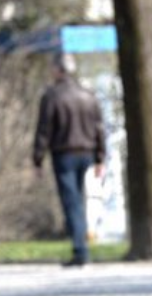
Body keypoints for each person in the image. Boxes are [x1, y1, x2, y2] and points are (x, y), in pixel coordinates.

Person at [33, 52, 105, 268]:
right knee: (79, 199)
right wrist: (101, 156)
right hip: (87, 152)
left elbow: (44, 130)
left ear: (58, 69)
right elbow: (99, 128)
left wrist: (37, 158)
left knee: (71, 202)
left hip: (64, 154)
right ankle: (80, 246)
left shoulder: (52, 96)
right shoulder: (88, 95)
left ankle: (80, 250)